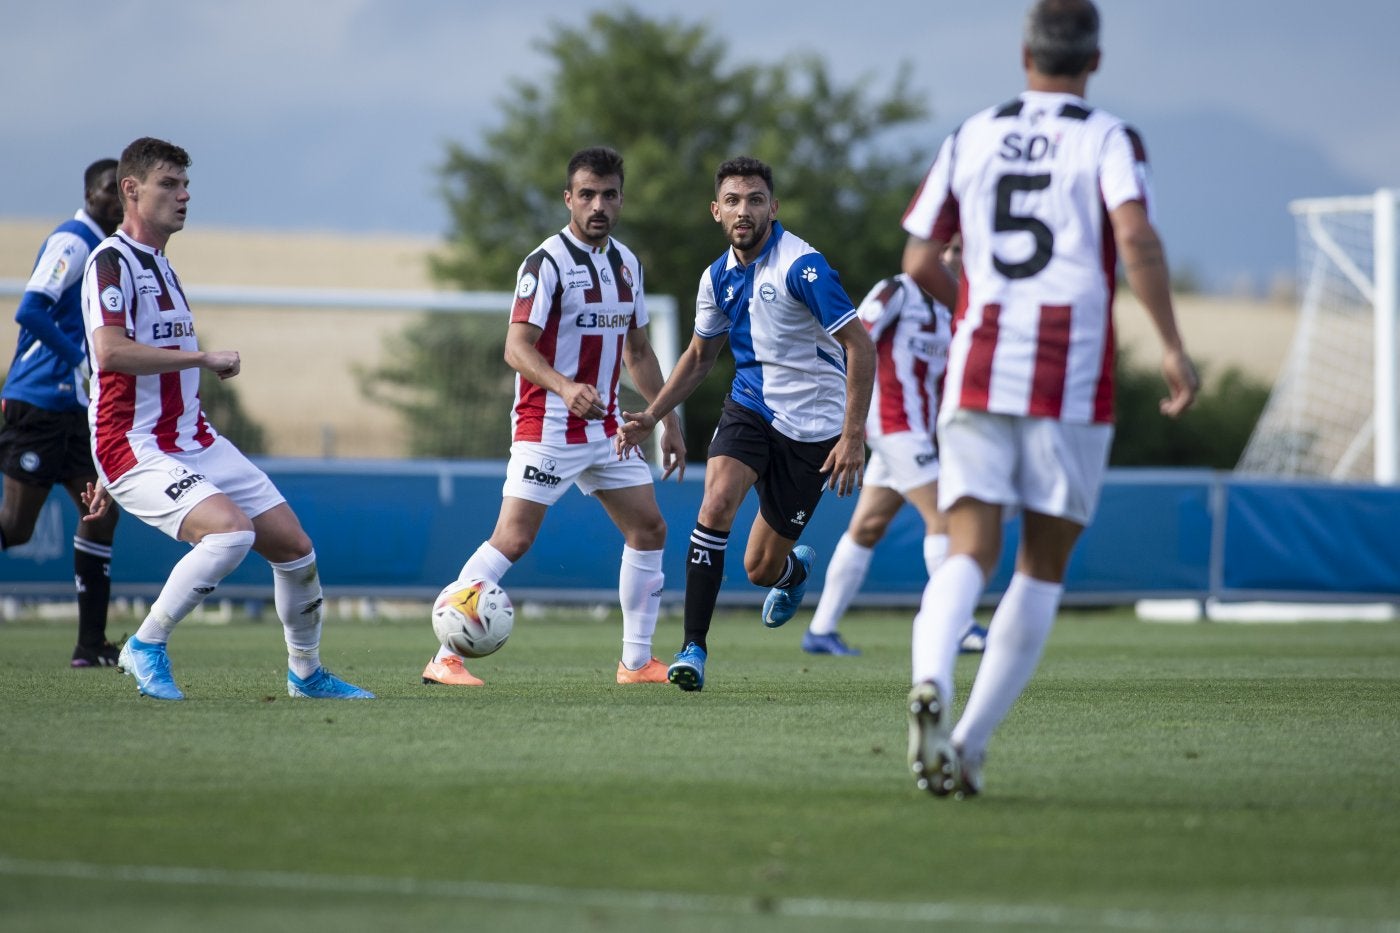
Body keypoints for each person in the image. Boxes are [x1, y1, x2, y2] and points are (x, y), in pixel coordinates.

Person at [899, 0, 1198, 796]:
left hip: (978, 360)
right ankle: (968, 743)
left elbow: (920, 254)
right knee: (1041, 564)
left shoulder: (972, 132)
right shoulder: (1107, 136)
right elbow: (1134, 237)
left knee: (968, 548)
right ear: (1093, 62)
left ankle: (931, 676)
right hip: (1067, 370)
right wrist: (1171, 343)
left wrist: (970, 299)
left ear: (1022, 52)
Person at [80, 136, 372, 701]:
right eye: (170, 184)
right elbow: (109, 353)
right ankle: (146, 645)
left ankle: (306, 675)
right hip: (134, 445)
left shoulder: (161, 266)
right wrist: (202, 358)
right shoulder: (109, 263)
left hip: (191, 438)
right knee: (232, 532)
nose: (184, 196)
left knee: (294, 548)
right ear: (131, 190)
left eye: (186, 185)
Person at [420, 146, 686, 687]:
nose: (598, 206)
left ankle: (636, 663)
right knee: (513, 540)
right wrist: (565, 387)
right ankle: (445, 656)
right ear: (568, 198)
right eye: (586, 194)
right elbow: (516, 349)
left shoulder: (627, 263)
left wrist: (667, 421)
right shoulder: (545, 264)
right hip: (548, 426)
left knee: (650, 528)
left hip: (609, 429)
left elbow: (638, 351)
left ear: (620, 199)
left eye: (609, 194)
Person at [616, 156, 875, 692]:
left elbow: (861, 344)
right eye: (733, 201)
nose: (744, 210)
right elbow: (698, 357)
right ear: (716, 211)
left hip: (815, 429)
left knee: (760, 568)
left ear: (772, 208)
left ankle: (791, 574)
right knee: (715, 503)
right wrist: (654, 415)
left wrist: (853, 435)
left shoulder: (804, 268)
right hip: (751, 408)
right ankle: (693, 648)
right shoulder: (716, 279)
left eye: (755, 200)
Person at [801, 240, 987, 657]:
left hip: (919, 431)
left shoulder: (953, 306)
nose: (954, 256)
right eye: (948, 247)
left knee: (867, 528)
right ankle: (956, 625)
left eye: (961, 248)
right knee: (944, 516)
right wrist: (845, 420)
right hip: (891, 424)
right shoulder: (895, 291)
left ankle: (821, 630)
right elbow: (851, 342)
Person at [1, 159, 124, 667]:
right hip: (38, 403)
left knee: (101, 510)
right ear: (94, 194)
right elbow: (30, 309)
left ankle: (89, 646)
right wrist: (80, 358)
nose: (121, 200)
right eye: (113, 191)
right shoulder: (73, 242)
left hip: (72, 409)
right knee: (17, 527)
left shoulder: (104, 249)